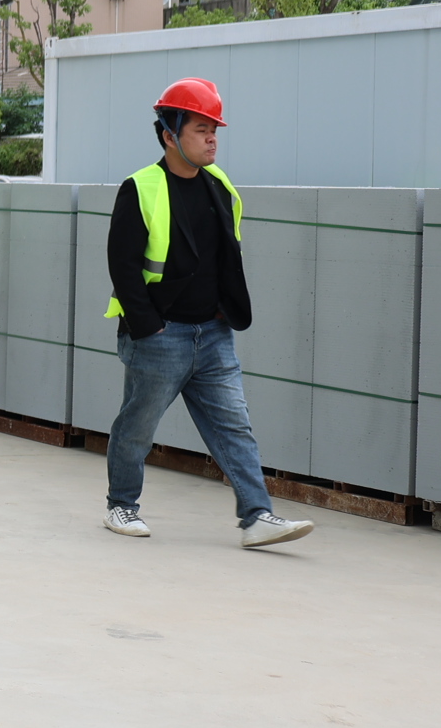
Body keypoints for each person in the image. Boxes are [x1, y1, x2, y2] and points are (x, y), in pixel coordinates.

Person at [104, 78, 313, 549]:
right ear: (169, 134)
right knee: (137, 428)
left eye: (214, 130)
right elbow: (123, 267)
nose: (212, 139)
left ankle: (257, 516)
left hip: (213, 334)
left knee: (235, 427)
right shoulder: (140, 188)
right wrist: (150, 328)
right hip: (161, 335)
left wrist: (224, 312)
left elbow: (226, 258)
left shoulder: (220, 186)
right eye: (201, 130)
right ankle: (122, 505)